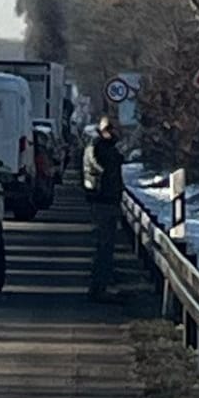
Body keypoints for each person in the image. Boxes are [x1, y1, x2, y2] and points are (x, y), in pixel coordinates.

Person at [82, 115, 125, 301]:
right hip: (103, 200)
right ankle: (98, 288)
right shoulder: (100, 148)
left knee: (106, 246)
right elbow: (102, 169)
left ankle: (101, 285)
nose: (113, 133)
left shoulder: (104, 147)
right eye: (110, 130)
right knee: (104, 246)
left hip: (107, 200)